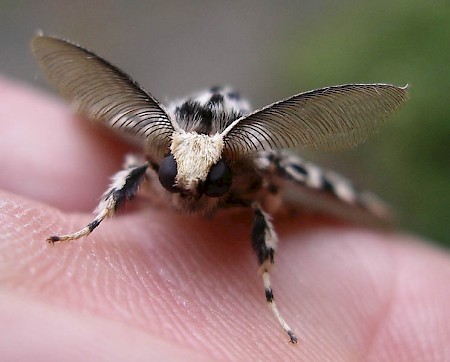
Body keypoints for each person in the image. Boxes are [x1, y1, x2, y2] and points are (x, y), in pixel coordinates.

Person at [1, 76, 449, 361]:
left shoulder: (257, 166)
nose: (188, 190)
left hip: (258, 197)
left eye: (209, 180)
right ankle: (91, 225)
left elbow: (286, 195)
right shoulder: (153, 150)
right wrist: (90, 227)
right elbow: (140, 161)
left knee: (261, 205)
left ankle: (268, 290)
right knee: (135, 168)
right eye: (175, 176)